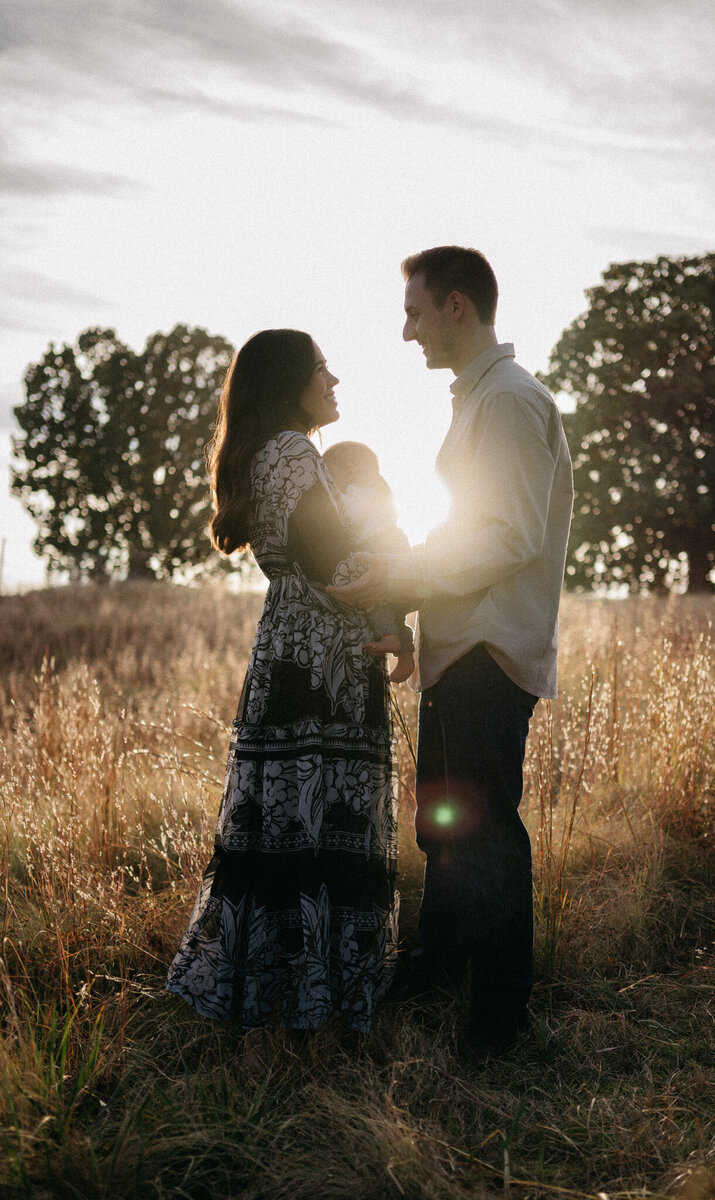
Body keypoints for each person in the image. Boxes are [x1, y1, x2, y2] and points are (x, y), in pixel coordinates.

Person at [328, 246, 573, 1055]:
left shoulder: (506, 402)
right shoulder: (480, 400)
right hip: (462, 646)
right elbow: (468, 529)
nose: (408, 333)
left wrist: (400, 570)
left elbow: (504, 537)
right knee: (445, 827)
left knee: (485, 835)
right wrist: (400, 584)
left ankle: (499, 1021)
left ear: (457, 307)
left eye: (415, 313)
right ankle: (440, 968)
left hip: (487, 653)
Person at [166, 329, 398, 1033]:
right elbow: (339, 569)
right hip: (322, 660)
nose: (335, 382)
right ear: (290, 382)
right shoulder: (295, 453)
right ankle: (318, 994)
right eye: (323, 370)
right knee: (325, 815)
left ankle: (273, 985)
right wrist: (427, 579)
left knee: (286, 821)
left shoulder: (269, 455)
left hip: (290, 647)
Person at [322, 440, 415, 685]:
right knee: (394, 605)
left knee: (371, 595)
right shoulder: (379, 489)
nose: (327, 481)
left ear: (350, 470)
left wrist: (325, 495)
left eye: (329, 474)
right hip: (394, 541)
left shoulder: (355, 493)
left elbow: (344, 511)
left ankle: (389, 635)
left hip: (378, 545)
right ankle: (405, 653)